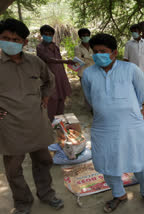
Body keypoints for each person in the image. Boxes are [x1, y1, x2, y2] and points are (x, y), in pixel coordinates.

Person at [81, 33, 144, 212]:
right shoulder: (88, 74)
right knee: (108, 162)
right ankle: (119, 194)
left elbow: (141, 94)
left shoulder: (131, 69)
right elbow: (90, 98)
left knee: (141, 162)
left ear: (114, 52)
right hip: (103, 127)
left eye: (103, 51)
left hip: (131, 125)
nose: (98, 54)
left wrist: (125, 110)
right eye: (96, 51)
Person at [0, 18, 63, 214]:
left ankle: (46, 194)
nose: (10, 42)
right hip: (9, 126)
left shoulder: (35, 62)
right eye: (5, 38)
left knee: (44, 161)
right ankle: (23, 203)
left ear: (24, 42)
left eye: (15, 39)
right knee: (13, 170)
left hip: (37, 122)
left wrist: (45, 98)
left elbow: (49, 81)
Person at [36, 24, 74, 122]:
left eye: (50, 34)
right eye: (45, 34)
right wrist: (65, 61)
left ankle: (59, 122)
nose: (48, 36)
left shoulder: (55, 46)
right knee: (52, 99)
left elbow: (58, 59)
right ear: (42, 35)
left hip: (60, 75)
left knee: (62, 97)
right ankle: (50, 123)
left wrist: (66, 64)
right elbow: (48, 59)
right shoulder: (40, 47)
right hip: (48, 77)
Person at [124, 24, 144, 92]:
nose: (134, 33)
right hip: (133, 72)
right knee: (134, 90)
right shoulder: (128, 44)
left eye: (135, 31)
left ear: (140, 31)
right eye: (132, 32)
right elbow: (126, 58)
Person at [74, 28, 94, 110]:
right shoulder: (77, 48)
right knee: (86, 92)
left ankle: (96, 107)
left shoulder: (94, 46)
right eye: (83, 36)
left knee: (96, 90)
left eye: (87, 35)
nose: (85, 37)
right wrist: (91, 58)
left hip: (95, 71)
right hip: (83, 72)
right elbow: (78, 60)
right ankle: (89, 109)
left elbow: (98, 57)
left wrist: (84, 57)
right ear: (80, 37)